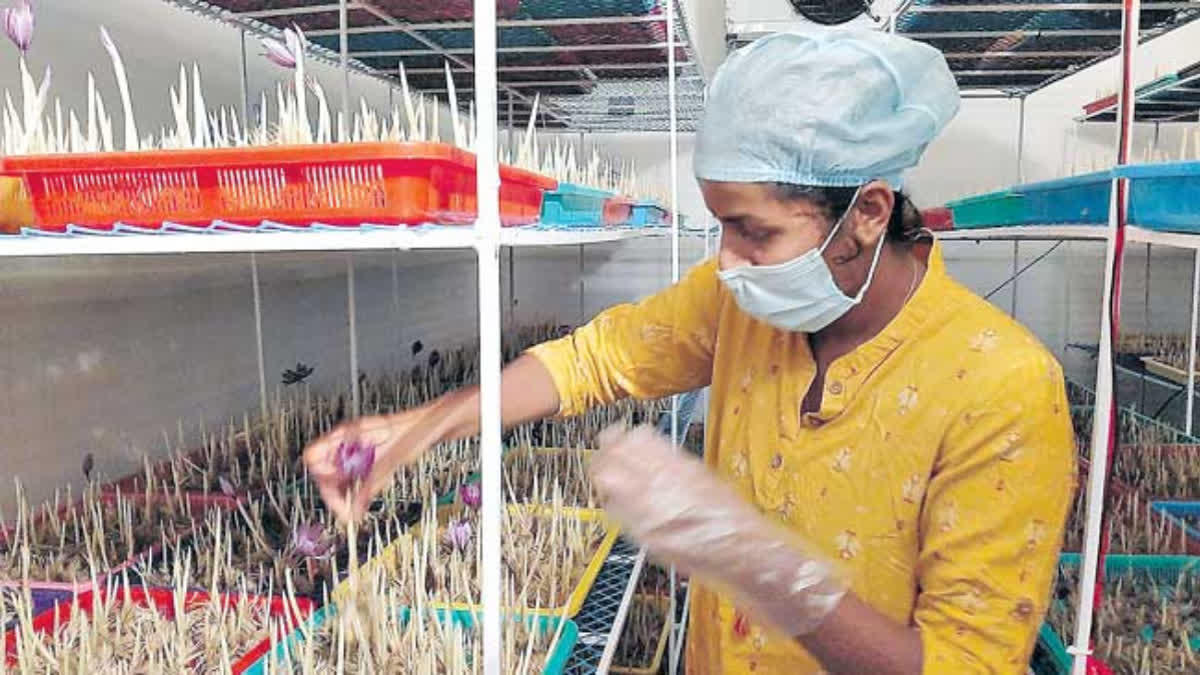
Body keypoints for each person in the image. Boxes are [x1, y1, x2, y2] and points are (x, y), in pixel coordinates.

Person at [304, 27, 1075, 674]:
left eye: (755, 230)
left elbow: (964, 663)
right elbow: (595, 358)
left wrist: (751, 558)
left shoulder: (1002, 386)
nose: (728, 260)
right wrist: (416, 430)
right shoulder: (741, 301)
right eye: (721, 227)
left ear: (869, 211)